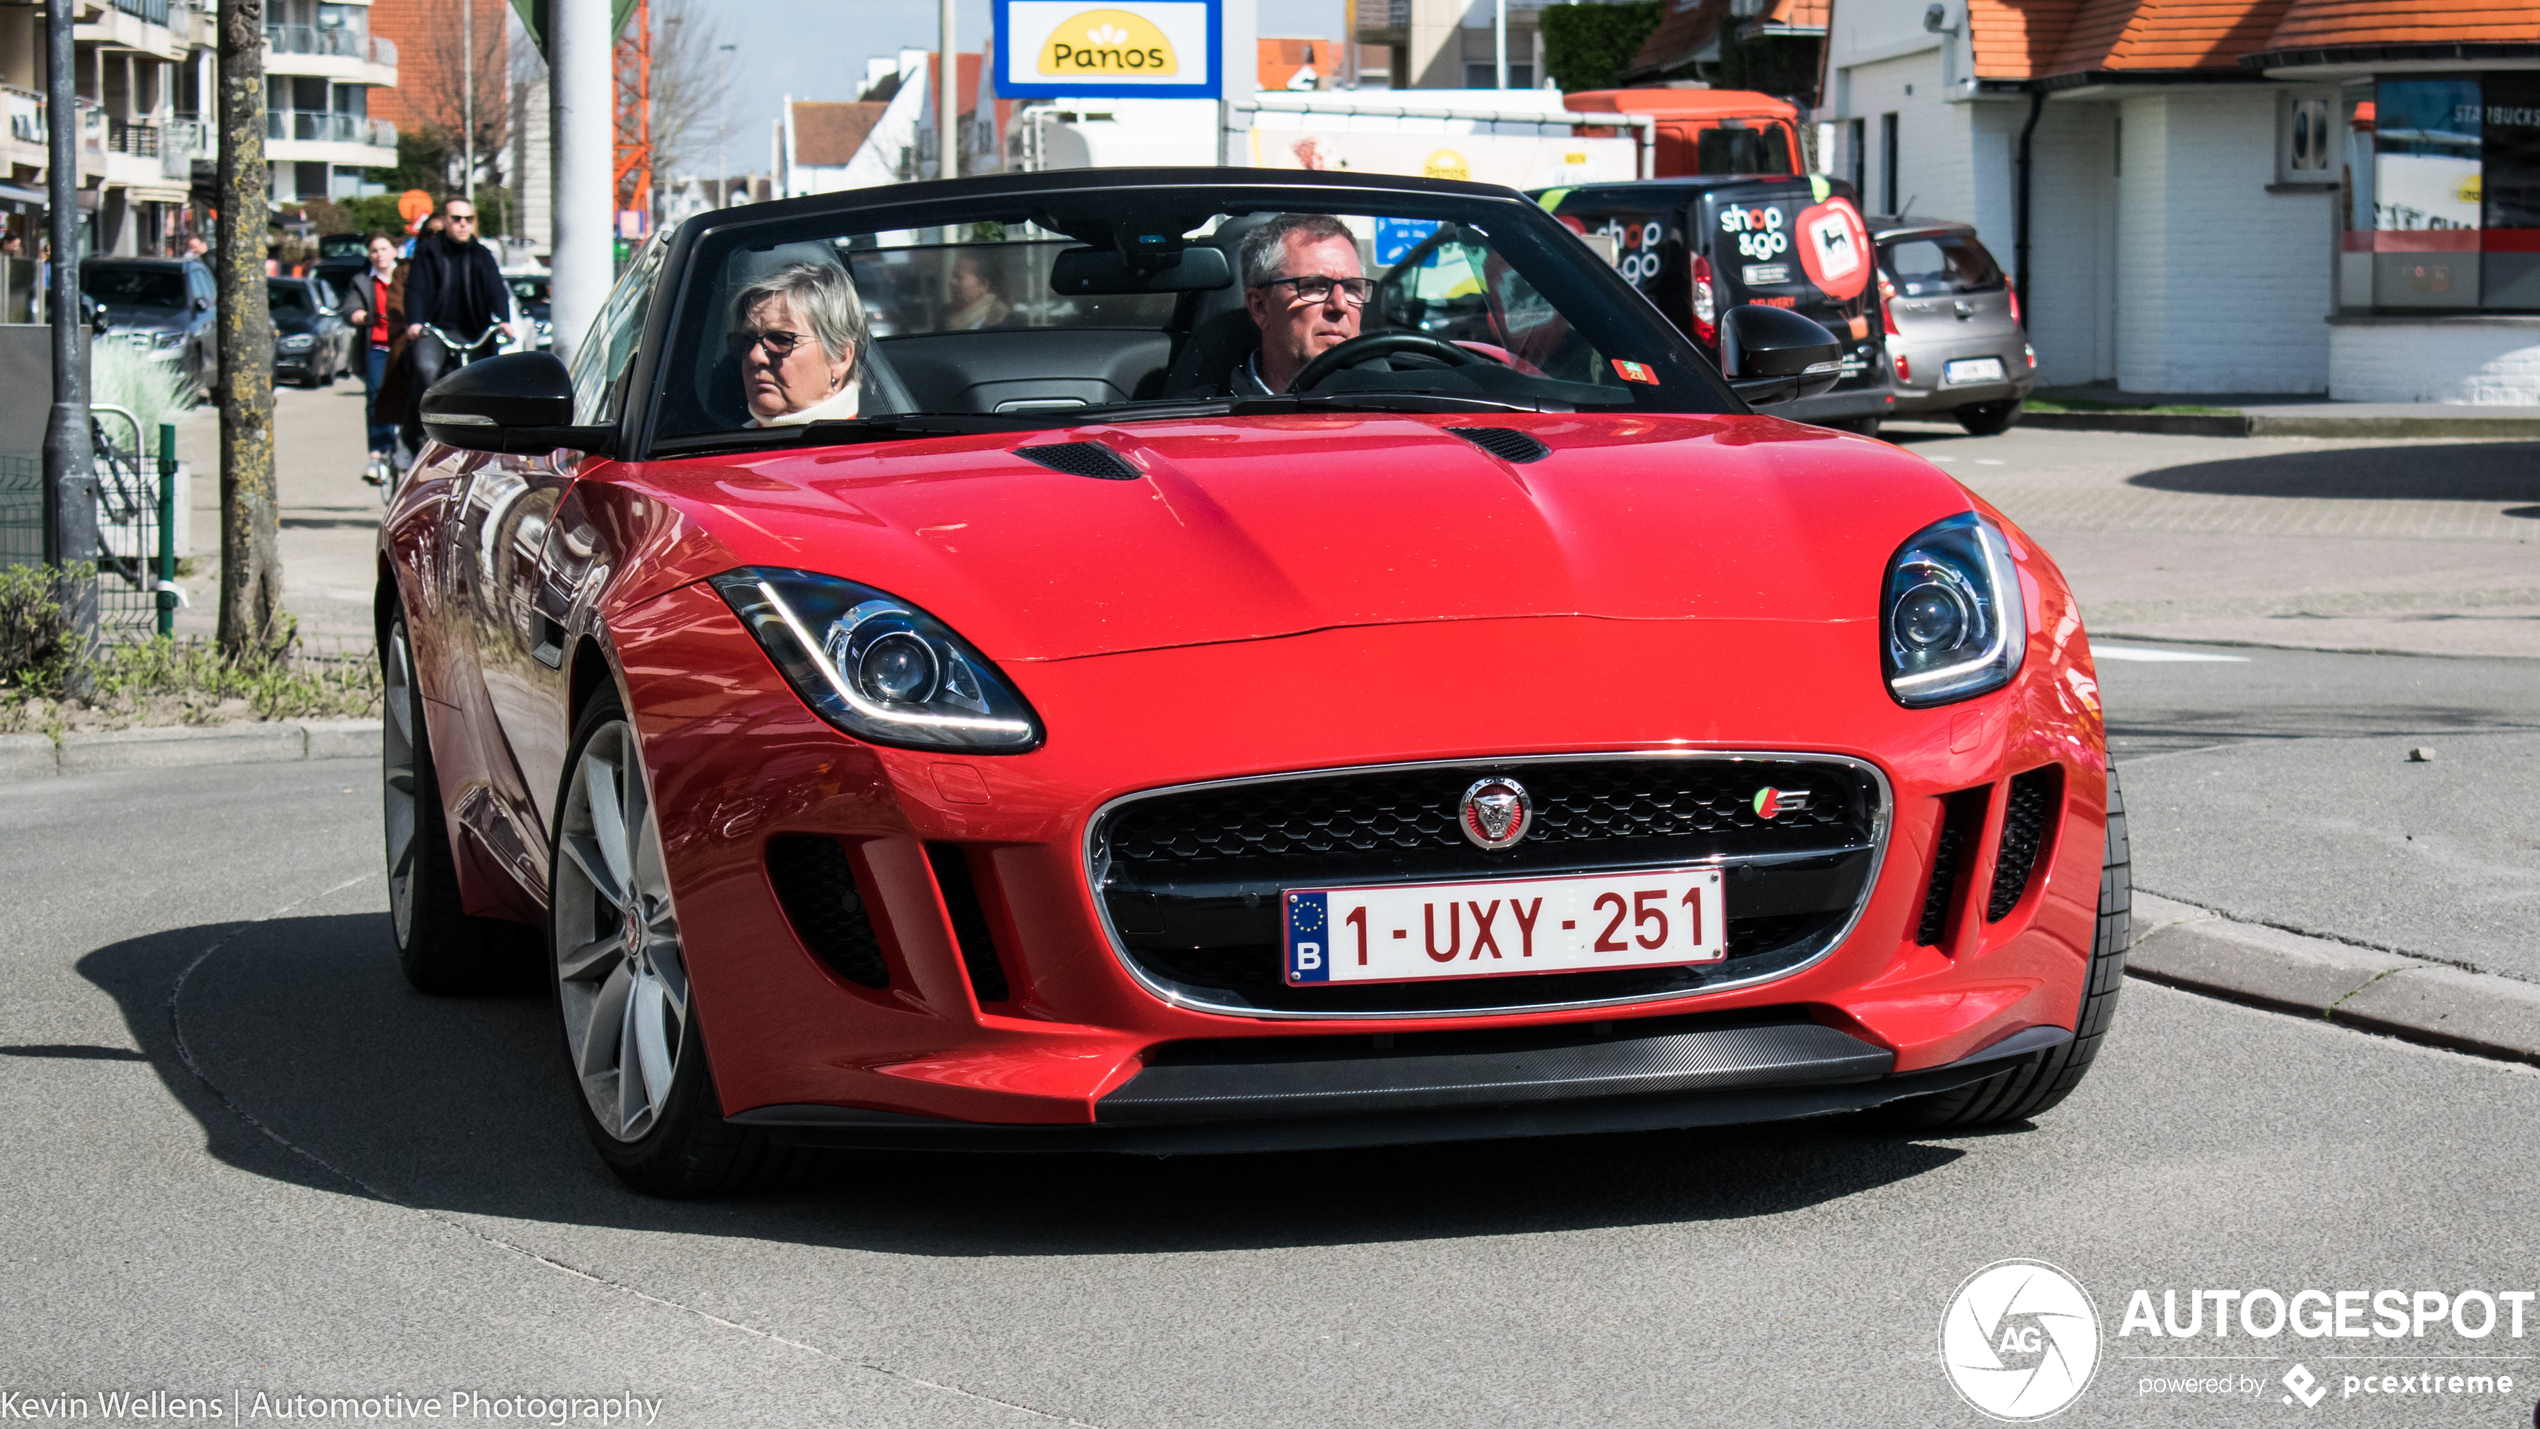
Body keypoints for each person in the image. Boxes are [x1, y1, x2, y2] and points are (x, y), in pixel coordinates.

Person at [396, 198, 514, 455]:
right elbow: (415, 289)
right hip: (435, 330)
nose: (463, 224)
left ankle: (484, 442)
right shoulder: (428, 251)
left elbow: (496, 289)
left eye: (468, 219)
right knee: (426, 369)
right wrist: (415, 322)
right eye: (456, 219)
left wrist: (504, 320)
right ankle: (424, 430)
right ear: (446, 221)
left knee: (488, 382)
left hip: (474, 333)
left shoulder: (481, 254)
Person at [1233, 213, 1370, 395]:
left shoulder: (1396, 408)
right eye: (1313, 286)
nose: (1340, 305)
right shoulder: (1201, 417)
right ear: (1260, 307)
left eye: (1352, 287)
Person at [731, 262, 867, 426]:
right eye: (747, 340)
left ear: (840, 357)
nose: (755, 356)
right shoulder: (721, 448)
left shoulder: (866, 449)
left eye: (781, 340)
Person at [339, 232, 403, 484]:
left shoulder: (408, 278)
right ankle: (377, 454)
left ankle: (414, 447)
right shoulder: (363, 282)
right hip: (377, 347)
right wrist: (358, 314)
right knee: (377, 396)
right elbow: (350, 308)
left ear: (394, 251)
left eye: (384, 249)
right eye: (374, 251)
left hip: (405, 347)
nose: (379, 255)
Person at [943, 251, 1011, 329]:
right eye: (953, 276)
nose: (952, 282)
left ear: (983, 285)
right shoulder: (944, 316)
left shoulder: (1000, 322)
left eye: (959, 277)